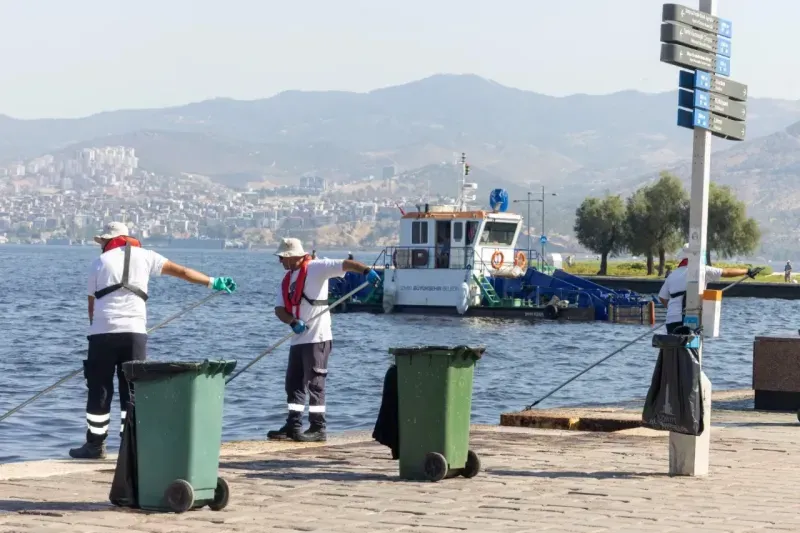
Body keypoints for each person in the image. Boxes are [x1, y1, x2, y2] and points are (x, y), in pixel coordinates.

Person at [69, 221, 237, 459]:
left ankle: (95, 446)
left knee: (100, 388)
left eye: (103, 241)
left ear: (110, 240)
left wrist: (97, 330)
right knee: (133, 388)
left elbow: (91, 306)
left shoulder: (99, 262)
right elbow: (182, 272)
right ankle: (131, 447)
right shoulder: (147, 256)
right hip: (135, 333)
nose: (101, 245)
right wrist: (212, 282)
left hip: (102, 333)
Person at [268, 237, 380, 442]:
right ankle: (293, 424)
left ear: (294, 257)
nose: (280, 261)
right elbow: (278, 309)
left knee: (315, 382)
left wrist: (366, 271)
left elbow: (345, 264)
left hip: (318, 337)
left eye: (283, 257)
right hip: (298, 338)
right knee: (293, 383)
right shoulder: (287, 280)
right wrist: (292, 321)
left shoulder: (318, 268)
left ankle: (318, 427)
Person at [658, 243, 756, 334]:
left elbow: (662, 297)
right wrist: (747, 271)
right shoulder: (702, 270)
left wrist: (672, 309)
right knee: (690, 348)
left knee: (673, 348)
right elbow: (726, 272)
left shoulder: (672, 275)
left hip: (671, 320)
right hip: (689, 319)